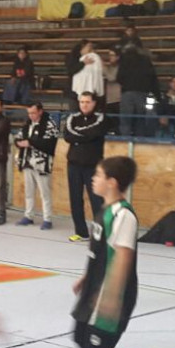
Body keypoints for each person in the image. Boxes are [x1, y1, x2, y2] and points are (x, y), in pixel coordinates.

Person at [70, 156, 139, 348]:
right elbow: (100, 252)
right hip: (95, 288)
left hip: (112, 293)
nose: (93, 179)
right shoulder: (104, 210)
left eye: (98, 175)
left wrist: (111, 295)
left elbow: (122, 258)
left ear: (112, 182)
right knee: (80, 336)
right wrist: (86, 278)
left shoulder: (124, 215)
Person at [64, 92, 109, 242]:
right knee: (75, 199)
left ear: (94, 103)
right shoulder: (72, 118)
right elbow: (67, 135)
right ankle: (81, 232)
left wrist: (78, 138)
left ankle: (101, 233)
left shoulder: (100, 118)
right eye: (82, 102)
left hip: (93, 166)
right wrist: (84, 138)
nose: (84, 104)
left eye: (87, 102)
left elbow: (94, 133)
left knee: (97, 200)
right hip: (73, 165)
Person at [15, 102, 58, 229]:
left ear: (40, 111)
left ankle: (47, 219)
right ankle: (28, 216)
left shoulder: (50, 125)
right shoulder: (27, 124)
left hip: (42, 164)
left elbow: (50, 145)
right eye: (29, 113)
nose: (31, 115)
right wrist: (20, 143)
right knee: (29, 192)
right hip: (27, 162)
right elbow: (17, 138)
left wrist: (30, 143)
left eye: (33, 113)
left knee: (45, 193)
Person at [116, 41, 158, 138]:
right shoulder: (146, 60)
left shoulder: (124, 60)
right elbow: (152, 78)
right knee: (141, 120)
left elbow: (119, 77)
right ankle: (140, 140)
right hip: (143, 93)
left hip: (127, 93)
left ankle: (125, 140)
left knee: (126, 120)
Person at [71, 40, 104, 105]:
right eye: (88, 46)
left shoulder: (94, 57)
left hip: (91, 89)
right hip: (78, 91)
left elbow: (99, 72)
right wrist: (83, 63)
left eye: (91, 46)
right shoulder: (73, 57)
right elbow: (71, 70)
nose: (90, 48)